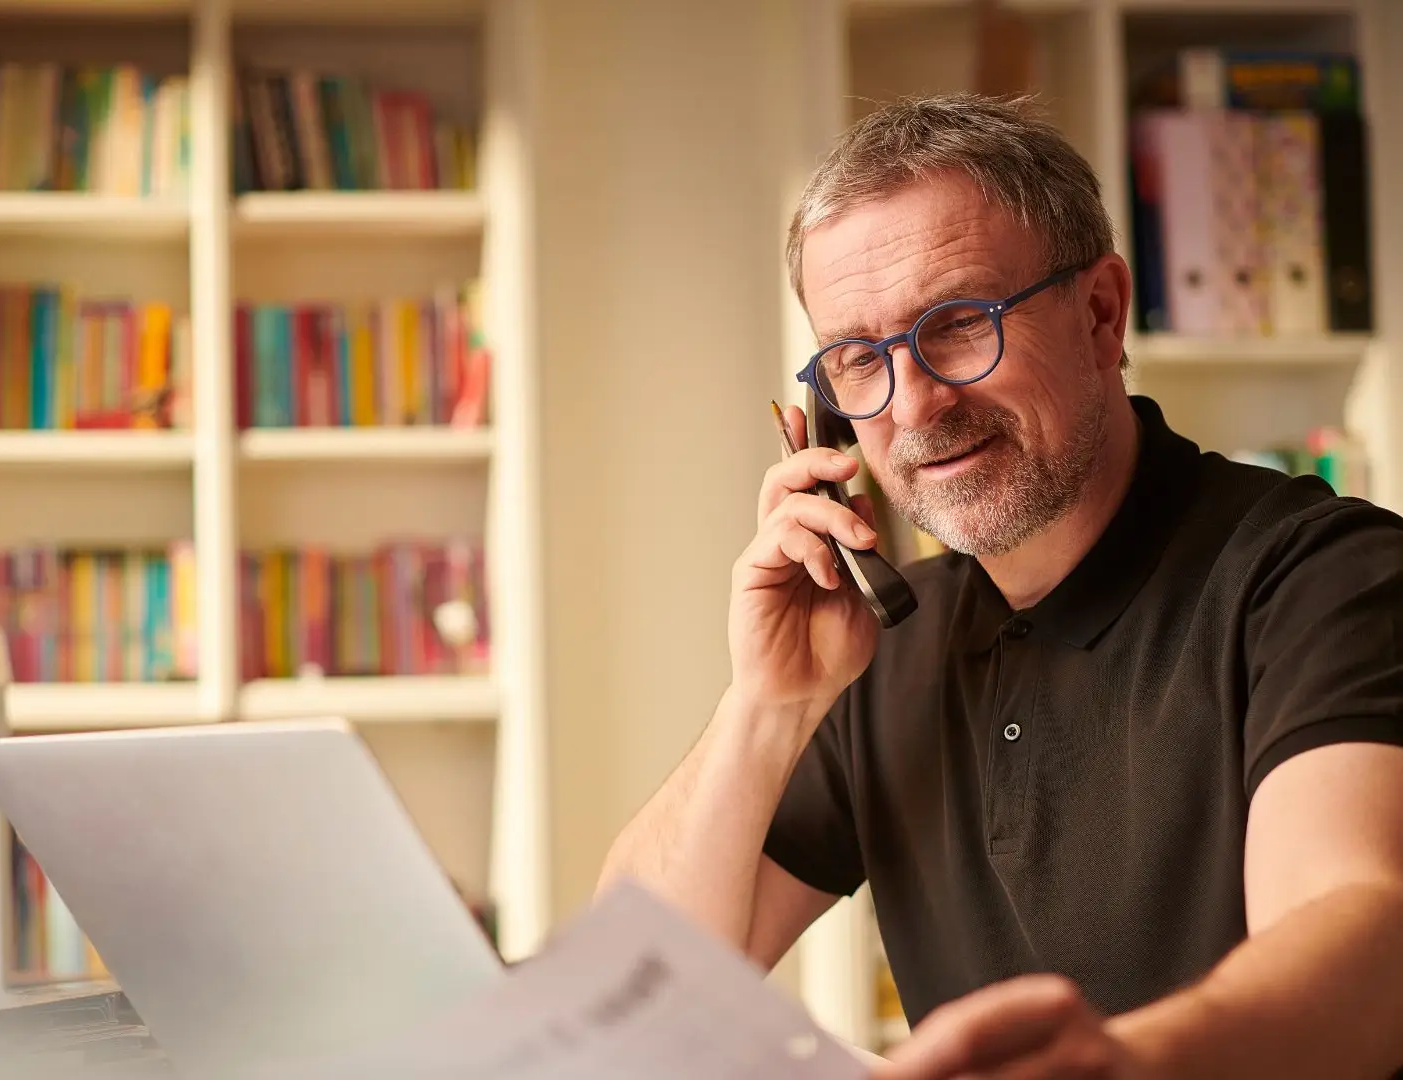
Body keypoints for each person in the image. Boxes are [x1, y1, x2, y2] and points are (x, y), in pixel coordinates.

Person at [597, 92, 1403, 1079]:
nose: (915, 405)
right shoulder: (882, 647)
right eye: (858, 360)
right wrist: (767, 704)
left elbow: (1365, 952)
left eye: (958, 325)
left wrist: (1115, 1064)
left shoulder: (1322, 578)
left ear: (1100, 314)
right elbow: (621, 991)